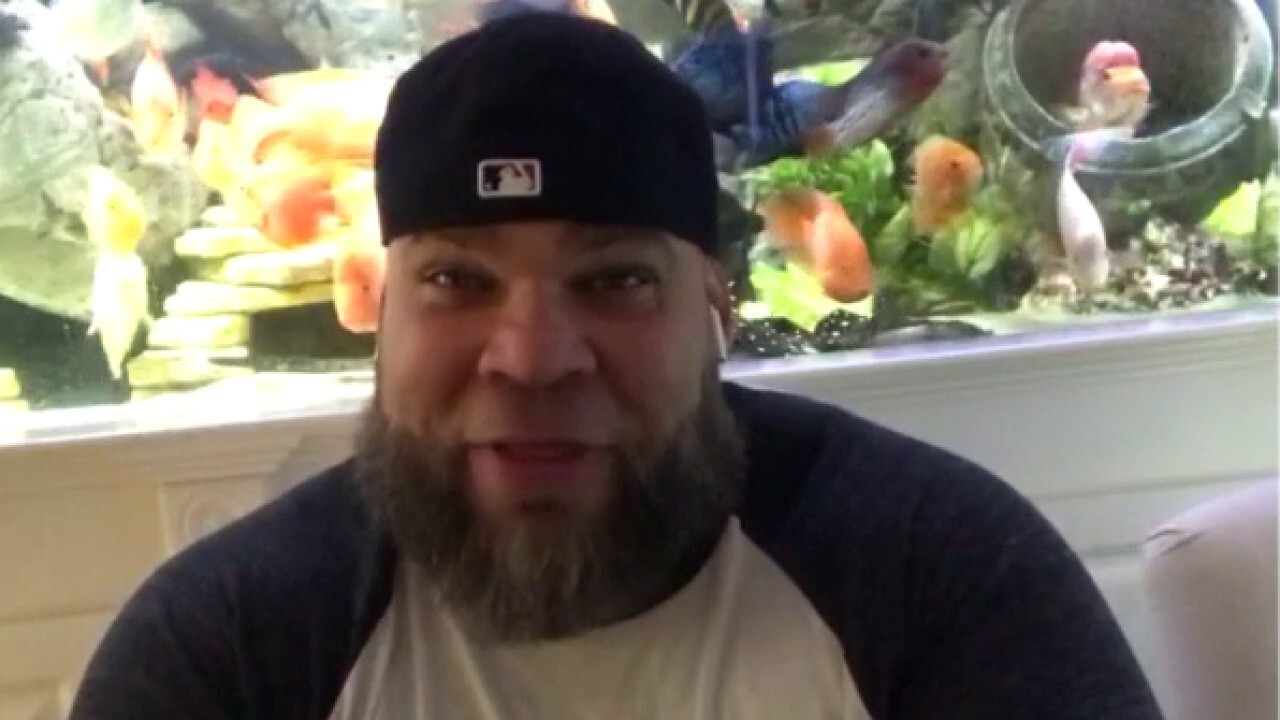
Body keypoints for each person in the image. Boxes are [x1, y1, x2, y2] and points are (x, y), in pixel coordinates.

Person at [67, 11, 1165, 720]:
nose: (533, 358)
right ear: (380, 314)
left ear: (716, 311)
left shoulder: (935, 577)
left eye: (615, 280)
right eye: (456, 280)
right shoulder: (234, 648)